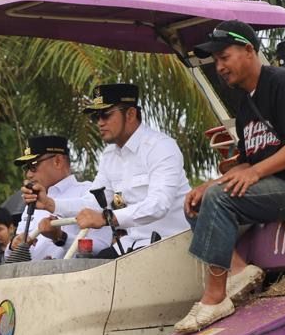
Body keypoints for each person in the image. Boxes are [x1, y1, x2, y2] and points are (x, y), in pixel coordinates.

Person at [174, 21, 285, 333]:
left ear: (249, 50)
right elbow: (250, 162)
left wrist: (253, 173)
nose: (220, 67)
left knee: (220, 200)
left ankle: (214, 299)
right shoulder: (245, 103)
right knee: (199, 201)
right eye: (216, 61)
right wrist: (210, 183)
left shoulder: (282, 82)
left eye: (224, 57)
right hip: (280, 183)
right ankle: (239, 272)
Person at [26, 84, 191, 257]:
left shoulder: (161, 147)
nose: (100, 122)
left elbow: (158, 204)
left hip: (172, 244)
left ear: (130, 114)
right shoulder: (110, 155)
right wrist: (50, 204)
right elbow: (94, 202)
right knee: (92, 271)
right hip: (134, 245)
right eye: (96, 117)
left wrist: (107, 218)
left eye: (105, 114)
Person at [13, 136, 111, 261]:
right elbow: (10, 255)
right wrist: (13, 245)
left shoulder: (90, 193)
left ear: (58, 161)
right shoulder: (33, 200)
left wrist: (61, 238)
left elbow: (102, 248)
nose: (28, 174)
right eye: (26, 168)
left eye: (33, 166)